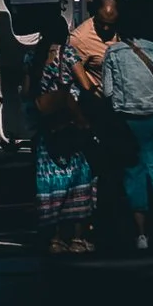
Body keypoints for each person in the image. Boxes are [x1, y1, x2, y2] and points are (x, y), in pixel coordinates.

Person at [88, 0, 153, 252]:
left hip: (128, 123)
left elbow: (107, 92)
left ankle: (142, 236)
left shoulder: (113, 54)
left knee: (134, 176)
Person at [30, 15, 97, 258]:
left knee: (52, 186)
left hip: (47, 130)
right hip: (70, 124)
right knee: (79, 181)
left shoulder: (33, 57)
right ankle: (78, 238)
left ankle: (56, 239)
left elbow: (27, 91)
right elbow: (86, 85)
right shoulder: (67, 55)